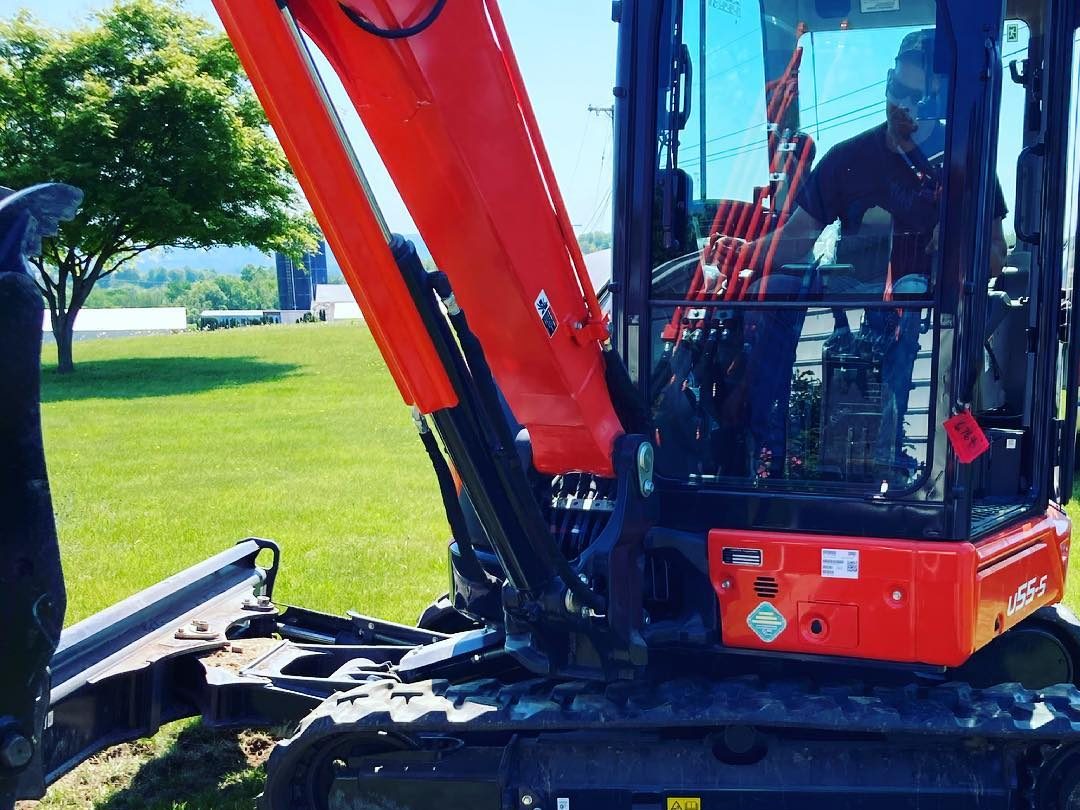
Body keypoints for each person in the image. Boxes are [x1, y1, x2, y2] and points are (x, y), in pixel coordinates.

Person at [717, 28, 1008, 481]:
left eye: (915, 97)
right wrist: (745, 256)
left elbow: (995, 255)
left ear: (940, 98)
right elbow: (796, 238)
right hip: (850, 313)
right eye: (896, 89)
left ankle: (908, 471)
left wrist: (957, 247)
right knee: (773, 290)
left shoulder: (967, 163)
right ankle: (769, 455)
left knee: (908, 319)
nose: (900, 105)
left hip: (931, 323)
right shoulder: (848, 159)